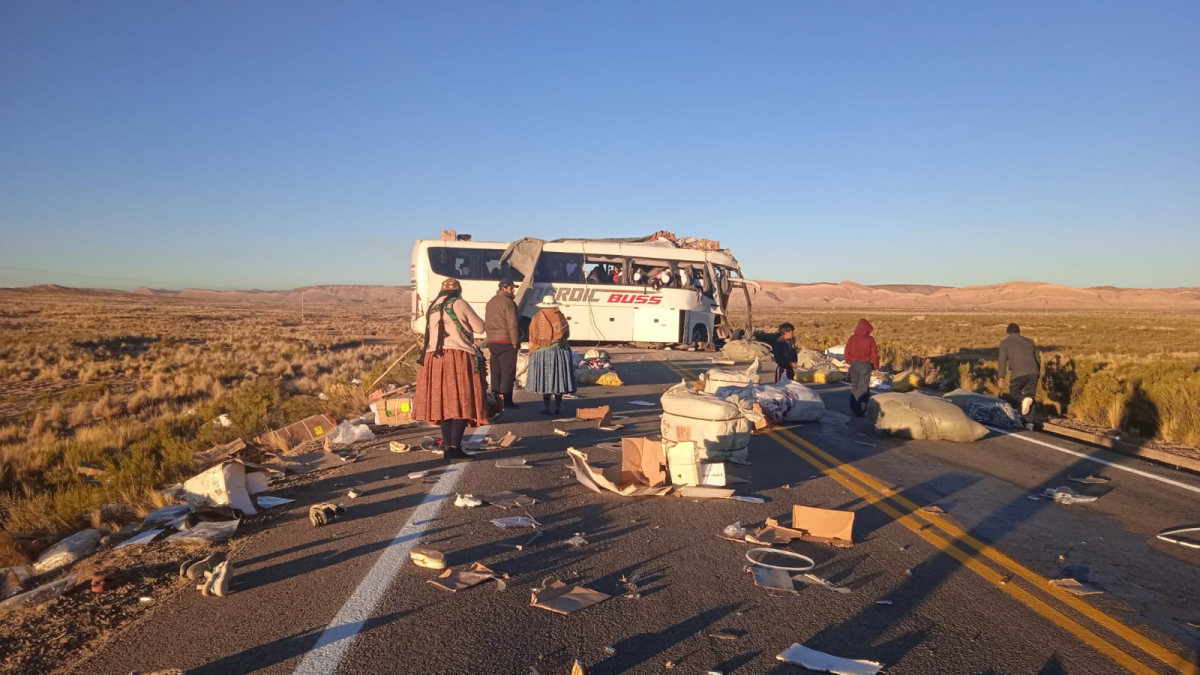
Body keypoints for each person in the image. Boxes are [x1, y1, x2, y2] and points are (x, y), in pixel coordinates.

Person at [414, 278, 487, 463]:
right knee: (462, 400)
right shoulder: (459, 303)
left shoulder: (433, 306)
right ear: (458, 291)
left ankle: (448, 447)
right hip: (457, 356)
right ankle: (455, 448)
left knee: (445, 405)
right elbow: (480, 327)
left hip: (434, 359)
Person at [525, 294, 576, 415]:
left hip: (541, 353)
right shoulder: (559, 316)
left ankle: (546, 406)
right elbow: (566, 334)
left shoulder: (536, 317)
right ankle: (558, 407)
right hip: (558, 352)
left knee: (545, 379)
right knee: (559, 379)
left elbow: (532, 335)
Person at [485, 278, 520, 409]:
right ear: (503, 288)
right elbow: (512, 324)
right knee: (508, 372)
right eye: (511, 288)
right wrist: (515, 342)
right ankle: (507, 400)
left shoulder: (490, 302)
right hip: (506, 341)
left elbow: (487, 322)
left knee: (496, 372)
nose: (513, 290)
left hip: (493, 341)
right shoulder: (508, 302)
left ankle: (496, 398)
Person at [998, 323, 1041, 416]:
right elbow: (1038, 358)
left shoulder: (1005, 343)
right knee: (1030, 396)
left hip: (1018, 373)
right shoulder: (1029, 341)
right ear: (1019, 331)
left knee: (1014, 393)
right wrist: (1038, 373)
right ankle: (1029, 423)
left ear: (1007, 332)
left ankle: (1022, 401)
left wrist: (1001, 377)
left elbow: (1002, 361)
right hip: (1033, 372)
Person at [844, 319, 880, 417]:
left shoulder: (852, 338)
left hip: (854, 364)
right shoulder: (870, 339)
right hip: (865, 364)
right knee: (863, 387)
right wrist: (876, 366)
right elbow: (874, 355)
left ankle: (854, 407)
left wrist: (849, 361)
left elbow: (846, 352)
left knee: (855, 386)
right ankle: (862, 408)